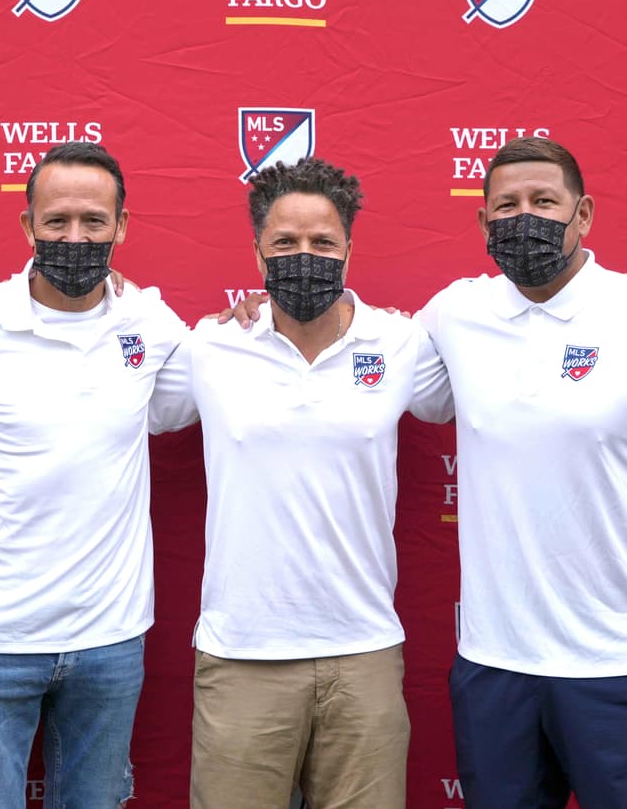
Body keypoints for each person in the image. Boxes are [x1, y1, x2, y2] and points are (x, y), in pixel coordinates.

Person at [414, 137, 627, 808]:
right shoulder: (454, 315)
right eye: (506, 204)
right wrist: (256, 318)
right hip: (495, 664)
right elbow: (359, 354)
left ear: (582, 213)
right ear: (482, 223)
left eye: (543, 201)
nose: (523, 216)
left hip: (621, 665)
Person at [150, 157, 454, 808]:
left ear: (350, 247)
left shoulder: (401, 343)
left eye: (323, 241)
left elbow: (485, 399)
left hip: (363, 654)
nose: (304, 255)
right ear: (257, 248)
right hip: (241, 656)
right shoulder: (211, 345)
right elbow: (132, 405)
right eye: (285, 242)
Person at [0, 141, 187, 808]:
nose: (75, 236)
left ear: (122, 226)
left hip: (109, 641)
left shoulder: (149, 321)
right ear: (27, 226)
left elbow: (225, 382)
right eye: (56, 221)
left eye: (94, 221)